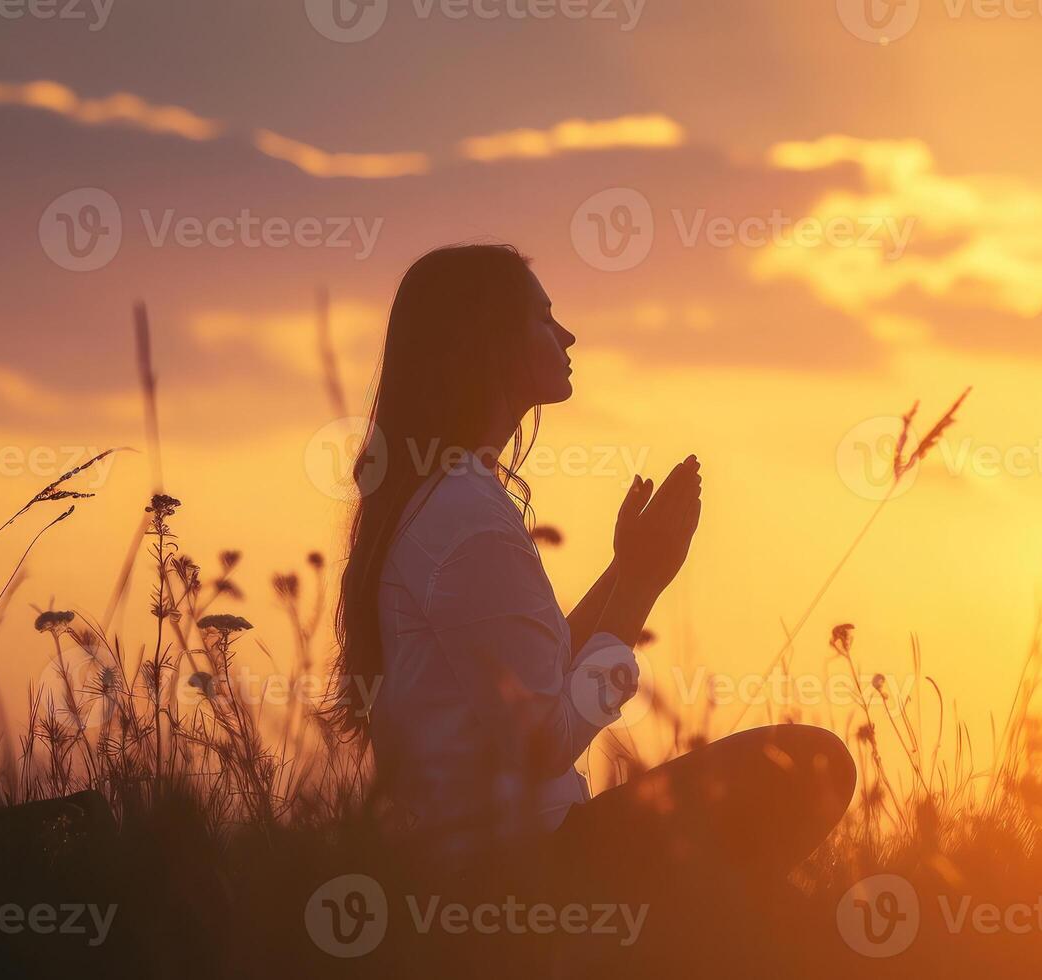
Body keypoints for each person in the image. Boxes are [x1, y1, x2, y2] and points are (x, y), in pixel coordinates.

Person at [328, 243, 855, 918]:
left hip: (486, 864)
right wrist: (640, 588)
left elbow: (534, 680)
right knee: (815, 762)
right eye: (544, 320)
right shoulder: (467, 518)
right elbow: (543, 742)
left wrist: (629, 569)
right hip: (516, 873)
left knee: (779, 907)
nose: (567, 334)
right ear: (489, 344)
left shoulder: (445, 499)